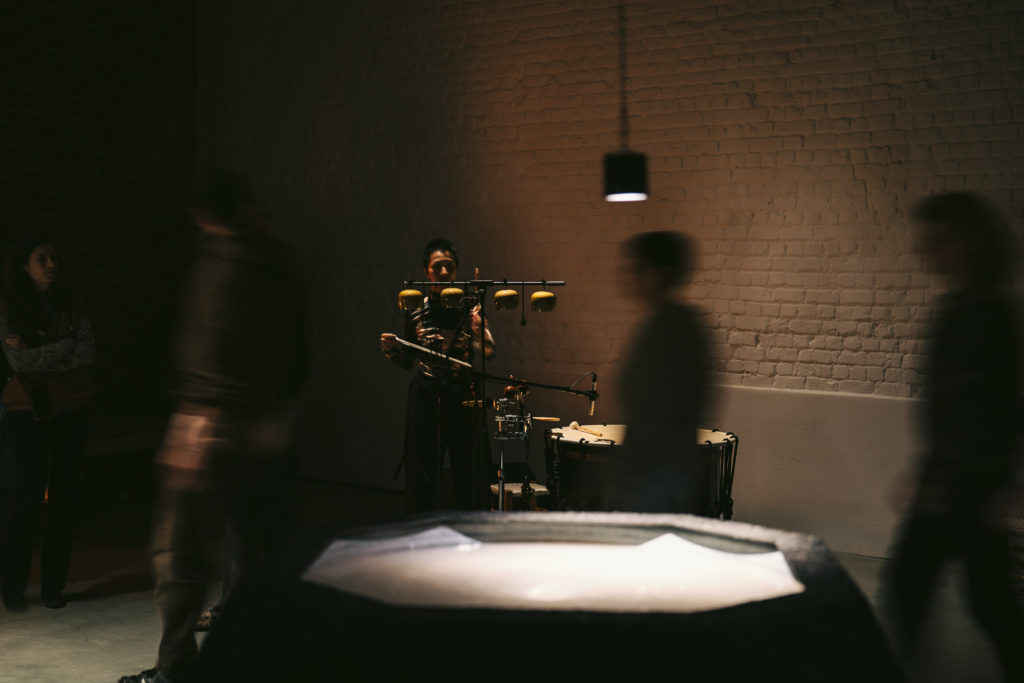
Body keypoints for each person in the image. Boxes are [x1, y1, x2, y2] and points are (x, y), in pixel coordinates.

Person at [120, 168, 307, 683]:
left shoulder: (226, 261)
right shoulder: (279, 262)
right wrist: (277, 411)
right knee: (250, 546)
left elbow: (214, 340)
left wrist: (199, 419)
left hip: (212, 426)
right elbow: (298, 349)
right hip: (264, 427)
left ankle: (176, 668)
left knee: (179, 551)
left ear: (202, 214)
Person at [887, 192, 1024, 681]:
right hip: (965, 479)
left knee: (913, 585)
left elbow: (987, 408)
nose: (928, 253)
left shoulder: (980, 313)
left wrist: (944, 480)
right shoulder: (971, 307)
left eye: (938, 242)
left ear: (969, 243)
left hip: (962, 482)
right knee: (988, 599)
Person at [0, 235, 95, 611]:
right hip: (27, 407)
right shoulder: (9, 304)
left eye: (54, 257)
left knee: (64, 498)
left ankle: (53, 585)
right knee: (27, 497)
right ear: (25, 265)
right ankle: (13, 585)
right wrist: (62, 351)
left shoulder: (72, 300)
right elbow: (17, 361)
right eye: (42, 259)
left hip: (73, 406)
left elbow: (87, 351)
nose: (51, 264)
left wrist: (39, 355)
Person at [380, 238, 495, 512]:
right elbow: (407, 361)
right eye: (437, 267)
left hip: (463, 394)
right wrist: (390, 350)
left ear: (456, 270)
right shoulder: (417, 309)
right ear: (426, 271)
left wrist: (479, 329)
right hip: (427, 392)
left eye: (450, 266)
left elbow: (489, 352)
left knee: (470, 465)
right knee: (422, 465)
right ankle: (422, 524)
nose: (444, 272)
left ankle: (471, 525)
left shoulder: (470, 309)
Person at [610, 231, 710, 513]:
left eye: (638, 268)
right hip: (659, 472)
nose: (629, 277)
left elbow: (657, 412)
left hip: (655, 475)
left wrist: (627, 471)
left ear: (661, 272)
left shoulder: (672, 329)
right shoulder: (672, 325)